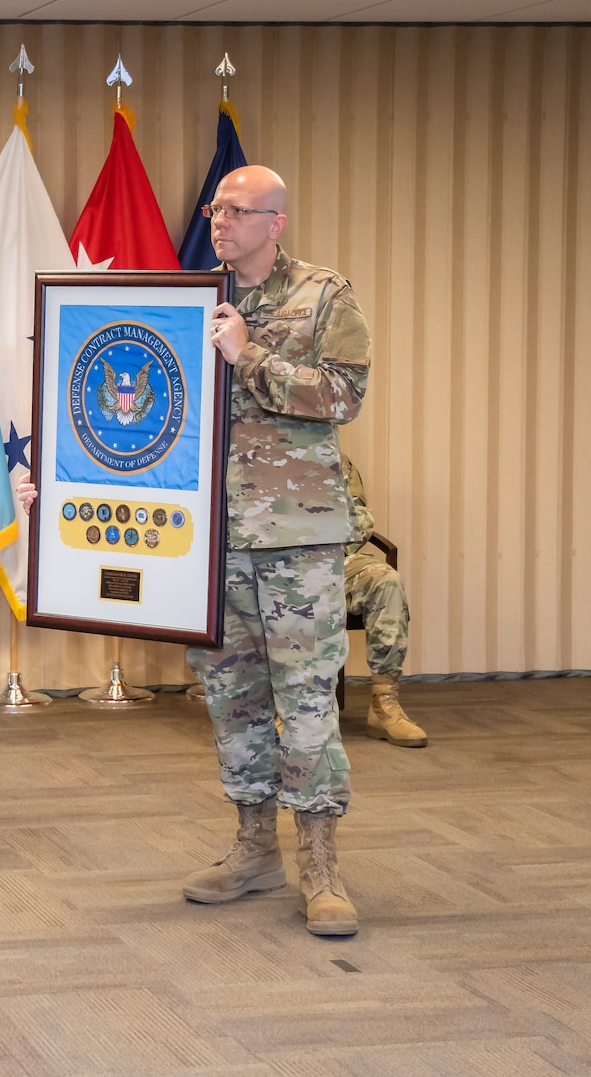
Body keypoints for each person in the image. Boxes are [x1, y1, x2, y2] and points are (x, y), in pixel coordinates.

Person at [179, 165, 372, 937]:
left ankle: (321, 865)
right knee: (233, 699)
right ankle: (255, 847)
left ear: (275, 222)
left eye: (235, 210)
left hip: (296, 537)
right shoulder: (197, 300)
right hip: (216, 539)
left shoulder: (324, 295)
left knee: (305, 701)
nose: (219, 220)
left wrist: (249, 355)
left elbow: (345, 396)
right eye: (216, 209)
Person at [343, 453, 427, 747]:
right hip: (282, 565)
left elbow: (359, 519)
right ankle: (282, 708)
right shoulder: (259, 451)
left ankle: (383, 703)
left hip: (334, 559)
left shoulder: (335, 458)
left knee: (386, 581)